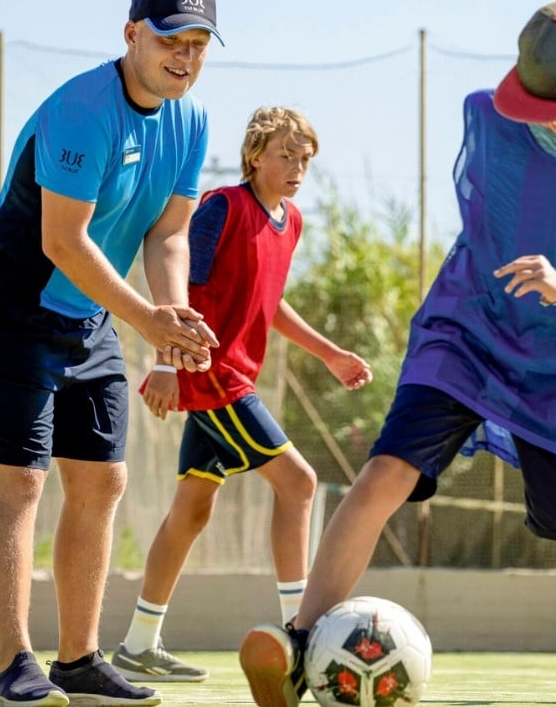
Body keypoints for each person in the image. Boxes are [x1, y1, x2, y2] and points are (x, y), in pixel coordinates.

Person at [235, 0, 556, 707]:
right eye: (532, 97)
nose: (542, 115)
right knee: (383, 472)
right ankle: (298, 643)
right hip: (465, 331)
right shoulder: (486, 115)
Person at [0, 0, 222, 707]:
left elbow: (168, 233)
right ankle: (15, 665)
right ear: (133, 34)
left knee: (102, 480)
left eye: (198, 45)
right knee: (22, 479)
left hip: (90, 315)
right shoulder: (82, 110)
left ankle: (79, 659)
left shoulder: (190, 121)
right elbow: (65, 241)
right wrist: (147, 319)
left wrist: (169, 322)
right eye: (172, 40)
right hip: (10, 301)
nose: (185, 57)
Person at [109, 107, 373, 683]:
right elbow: (180, 284)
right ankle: (299, 637)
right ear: (255, 156)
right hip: (214, 377)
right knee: (299, 484)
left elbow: (268, 300)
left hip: (232, 379)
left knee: (192, 510)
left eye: (305, 159)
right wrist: (166, 362)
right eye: (285, 155)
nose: (297, 167)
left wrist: (328, 353)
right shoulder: (221, 208)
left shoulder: (293, 221)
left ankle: (137, 644)